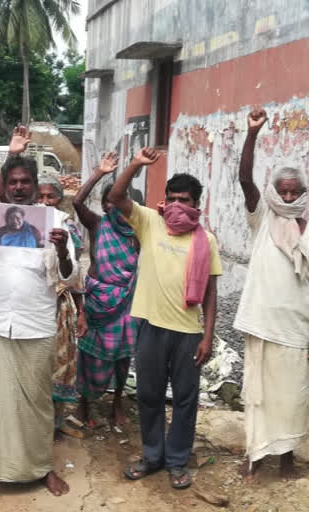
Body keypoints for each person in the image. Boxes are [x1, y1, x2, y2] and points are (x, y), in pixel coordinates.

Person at [0, 155, 78, 497]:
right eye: (12, 182)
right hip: (0, 322)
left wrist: (61, 251)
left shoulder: (56, 220)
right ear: (4, 185)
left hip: (38, 323)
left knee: (38, 401)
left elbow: (70, 276)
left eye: (24, 182)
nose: (18, 188)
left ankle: (41, 468)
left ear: (33, 184)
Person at [110, 148, 221, 490]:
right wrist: (136, 165)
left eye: (184, 199)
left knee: (186, 400)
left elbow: (211, 294)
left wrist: (206, 337)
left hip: (188, 333)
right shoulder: (149, 222)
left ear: (196, 203)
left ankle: (176, 461)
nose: (175, 205)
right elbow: (116, 196)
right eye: (170, 198)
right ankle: (152, 455)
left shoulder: (207, 241)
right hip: (151, 329)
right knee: (149, 395)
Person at [234, 108, 309, 479]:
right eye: (284, 190)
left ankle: (287, 459)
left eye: (296, 191)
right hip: (262, 320)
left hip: (297, 325)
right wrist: (252, 134)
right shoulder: (263, 214)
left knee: (293, 395)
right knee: (258, 393)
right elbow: (245, 178)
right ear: (274, 190)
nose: (290, 195)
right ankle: (255, 455)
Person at [72, 153, 139, 426]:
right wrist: (98, 173)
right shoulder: (98, 224)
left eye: (118, 202)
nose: (112, 206)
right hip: (97, 301)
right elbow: (77, 201)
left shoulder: (138, 231)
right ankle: (84, 404)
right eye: (107, 202)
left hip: (125, 303)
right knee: (87, 354)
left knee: (122, 356)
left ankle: (117, 403)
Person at [36, 173, 85, 437]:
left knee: (58, 365)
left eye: (50, 196)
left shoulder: (69, 228)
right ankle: (34, 422)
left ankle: (54, 423)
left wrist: (82, 313)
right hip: (33, 305)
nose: (44, 202)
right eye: (40, 196)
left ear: (59, 199)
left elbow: (75, 275)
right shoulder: (26, 224)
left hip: (60, 308)